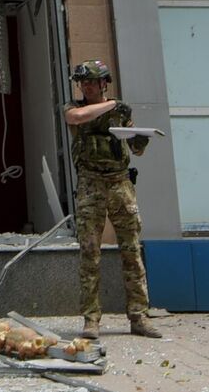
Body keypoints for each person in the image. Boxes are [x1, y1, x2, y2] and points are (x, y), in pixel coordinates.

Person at [64, 60, 164, 341]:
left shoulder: (122, 112)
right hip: (91, 183)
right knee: (89, 252)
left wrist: (141, 140)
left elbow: (136, 148)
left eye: (92, 82)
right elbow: (76, 118)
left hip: (119, 182)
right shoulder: (76, 107)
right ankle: (91, 319)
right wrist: (112, 105)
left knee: (131, 250)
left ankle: (139, 316)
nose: (86, 86)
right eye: (83, 82)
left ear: (103, 83)